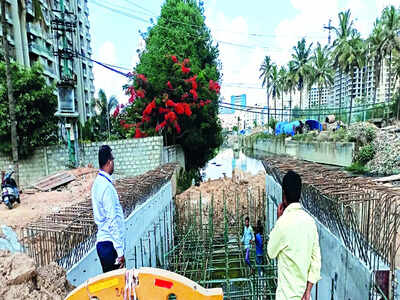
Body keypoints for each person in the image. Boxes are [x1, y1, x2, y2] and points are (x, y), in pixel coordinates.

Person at [267, 170, 321, 300]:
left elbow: (271, 252)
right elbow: (316, 263)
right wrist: (307, 292)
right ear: (299, 194)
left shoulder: (283, 224)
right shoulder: (310, 223)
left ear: (284, 195)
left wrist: (278, 221)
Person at [92, 145, 126, 273]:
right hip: (110, 246)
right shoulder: (105, 187)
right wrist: (120, 251)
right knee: (117, 289)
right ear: (109, 162)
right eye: (113, 161)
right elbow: (112, 220)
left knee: (112, 289)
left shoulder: (98, 183)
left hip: (105, 245)